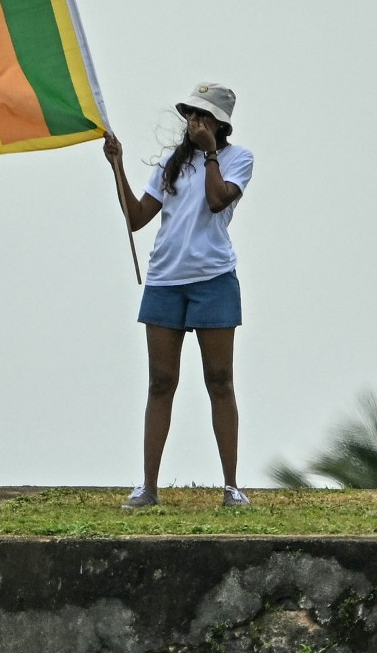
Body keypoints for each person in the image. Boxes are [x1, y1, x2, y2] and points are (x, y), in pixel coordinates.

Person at [103, 83, 255, 509]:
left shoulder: (237, 159)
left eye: (203, 117)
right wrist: (117, 167)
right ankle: (148, 487)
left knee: (220, 381)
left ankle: (231, 486)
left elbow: (216, 200)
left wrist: (209, 154)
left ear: (220, 124)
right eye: (191, 115)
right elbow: (137, 219)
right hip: (165, 280)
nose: (194, 123)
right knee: (160, 382)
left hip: (214, 279)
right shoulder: (170, 166)